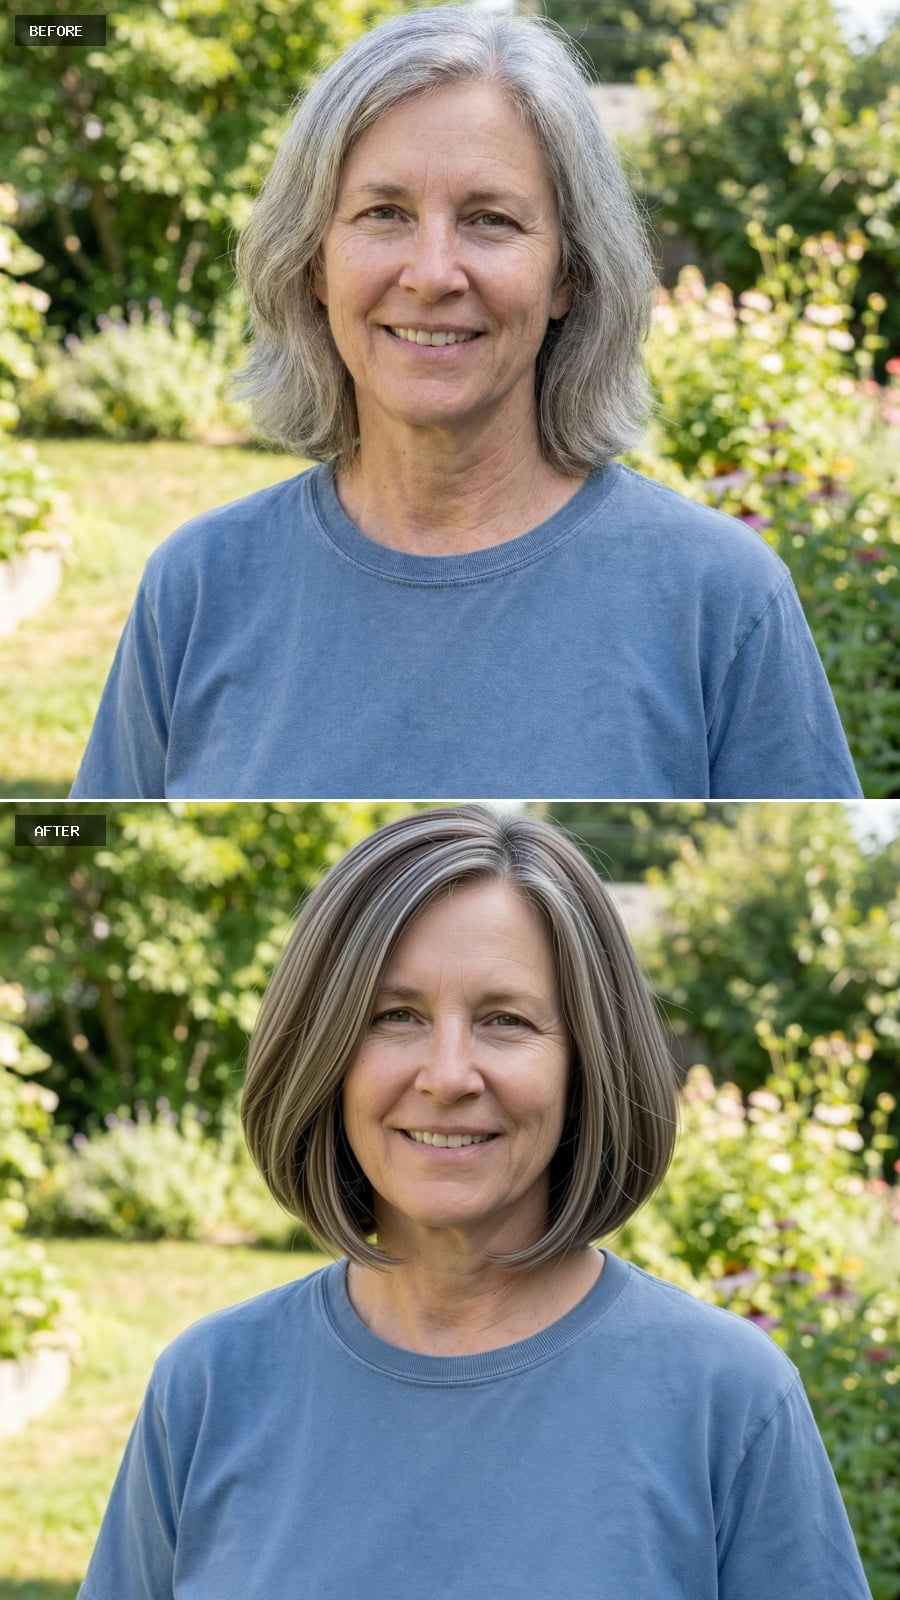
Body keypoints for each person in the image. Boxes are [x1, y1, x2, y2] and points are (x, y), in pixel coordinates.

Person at [78, 806, 872, 1599]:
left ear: (584, 1065)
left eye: (505, 1020)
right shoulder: (209, 1387)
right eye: (396, 1016)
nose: (448, 1074)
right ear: (322, 1053)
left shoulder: (729, 1403)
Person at [69, 7, 861, 801]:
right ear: (313, 262)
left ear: (568, 276)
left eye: (491, 219)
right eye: (385, 213)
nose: (433, 272)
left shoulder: (720, 601)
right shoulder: (199, 585)